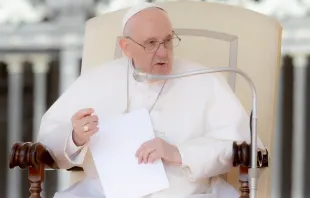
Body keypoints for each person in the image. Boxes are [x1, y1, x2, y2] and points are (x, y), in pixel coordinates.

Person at [37, 2, 261, 198]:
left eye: (167, 41)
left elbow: (245, 147)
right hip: (106, 193)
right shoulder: (96, 80)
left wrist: (180, 153)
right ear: (126, 47)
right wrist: (75, 138)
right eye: (151, 43)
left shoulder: (205, 80)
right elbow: (48, 138)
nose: (163, 53)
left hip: (186, 194)